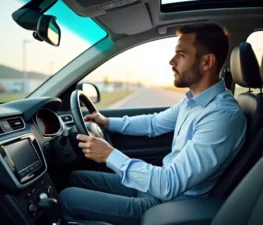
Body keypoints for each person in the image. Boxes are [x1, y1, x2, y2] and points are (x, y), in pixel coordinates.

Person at [59, 22, 247, 225]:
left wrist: (109, 154)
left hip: (168, 204)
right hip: (154, 187)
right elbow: (154, 123)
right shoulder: (192, 101)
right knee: (76, 178)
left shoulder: (222, 116)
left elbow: (170, 184)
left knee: (68, 199)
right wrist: (107, 122)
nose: (171, 61)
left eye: (181, 55)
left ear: (206, 62)